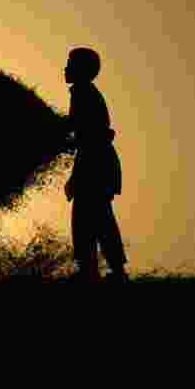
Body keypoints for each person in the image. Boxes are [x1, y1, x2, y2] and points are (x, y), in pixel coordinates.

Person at [63, 47, 128, 283]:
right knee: (96, 218)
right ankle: (99, 271)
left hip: (96, 162)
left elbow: (85, 135)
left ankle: (99, 272)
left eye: (70, 64)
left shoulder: (83, 93)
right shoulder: (84, 92)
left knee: (91, 218)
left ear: (82, 70)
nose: (65, 68)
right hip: (98, 160)